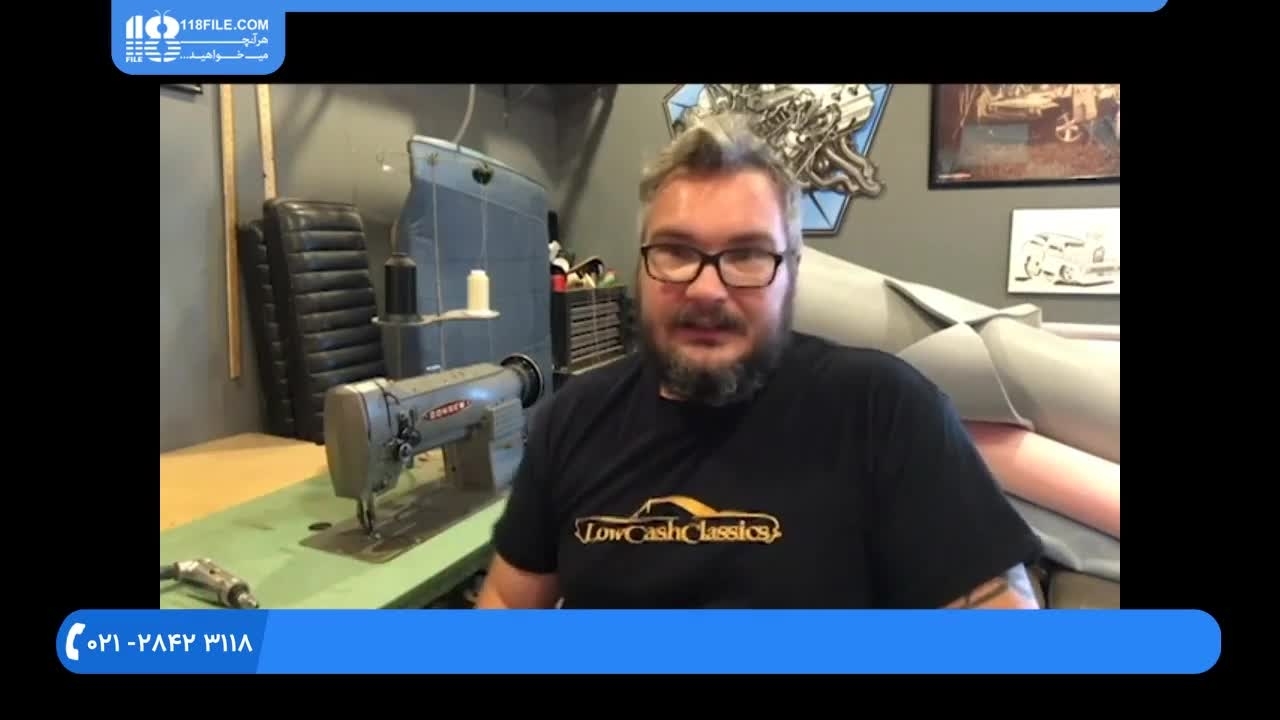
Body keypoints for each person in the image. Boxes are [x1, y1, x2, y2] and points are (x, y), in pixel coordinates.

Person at [475, 113, 1042, 610]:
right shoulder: (572, 419)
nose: (706, 289)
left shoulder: (885, 410)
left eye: (746, 254)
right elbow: (505, 601)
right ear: (643, 265)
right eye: (675, 251)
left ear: (791, 272)